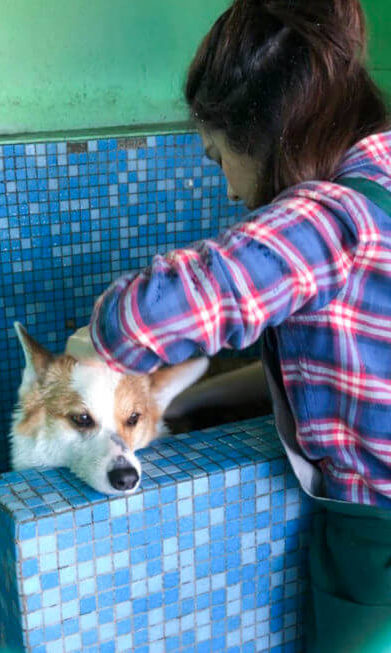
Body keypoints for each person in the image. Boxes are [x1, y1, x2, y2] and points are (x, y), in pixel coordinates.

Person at [78, 1, 391, 650]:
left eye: (217, 156)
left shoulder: (328, 219)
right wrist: (180, 399)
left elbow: (137, 322)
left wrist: (93, 345)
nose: (225, 188)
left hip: (377, 541)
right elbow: (344, 373)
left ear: (264, 133)